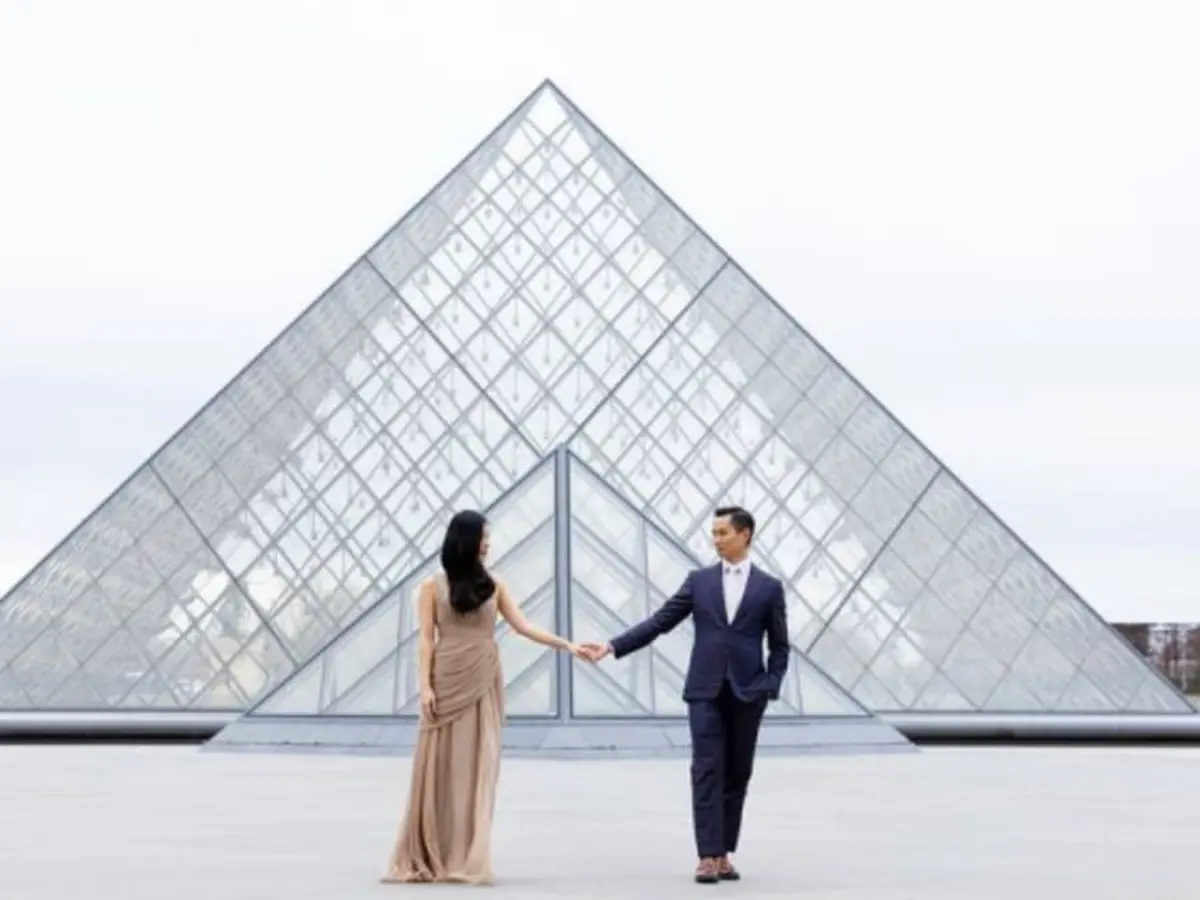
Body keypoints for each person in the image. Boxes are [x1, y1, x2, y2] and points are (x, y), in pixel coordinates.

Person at [581, 506, 789, 884]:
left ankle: (725, 852)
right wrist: (612, 646)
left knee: (738, 772)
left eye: (723, 532)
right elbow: (660, 622)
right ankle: (707, 856)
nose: (716, 539)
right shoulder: (699, 581)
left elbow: (780, 646)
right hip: (704, 690)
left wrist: (769, 686)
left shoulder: (769, 588)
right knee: (706, 769)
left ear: (745, 534)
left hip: (748, 693)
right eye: (714, 532)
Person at [382, 509, 589, 885]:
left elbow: (523, 626)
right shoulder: (432, 586)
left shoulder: (496, 585)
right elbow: (426, 640)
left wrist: (567, 645)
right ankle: (433, 853)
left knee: (478, 765)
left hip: (482, 678)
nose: (488, 543)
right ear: (466, 539)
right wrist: (425, 687)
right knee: (439, 766)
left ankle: (465, 854)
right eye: (483, 537)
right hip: (445, 679)